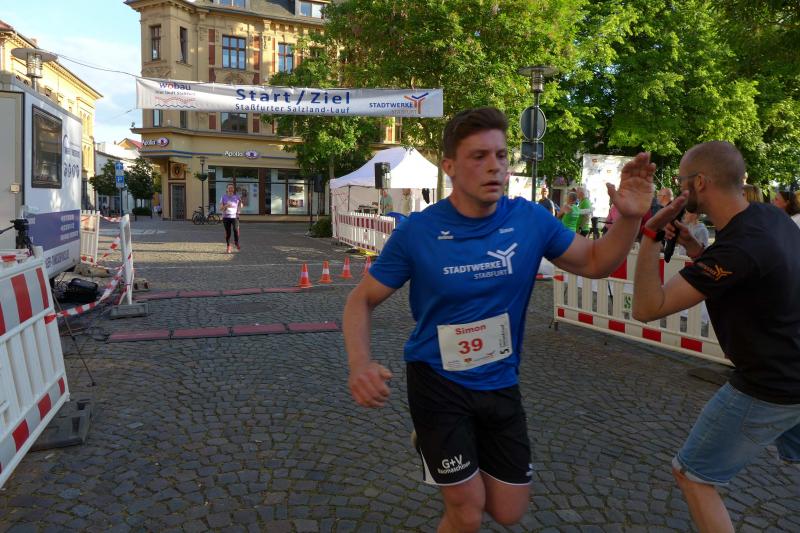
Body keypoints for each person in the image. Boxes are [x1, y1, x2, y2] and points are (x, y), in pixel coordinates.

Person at [343, 106, 656, 532]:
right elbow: (360, 301)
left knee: (509, 511)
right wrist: (360, 363)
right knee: (467, 510)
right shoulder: (418, 231)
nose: (495, 166)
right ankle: (437, 440)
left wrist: (632, 218)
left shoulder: (529, 220)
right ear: (450, 167)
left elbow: (596, 261)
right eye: (479, 156)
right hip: (437, 381)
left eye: (502, 155)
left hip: (500, 380)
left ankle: (434, 444)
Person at [632, 141, 800, 533]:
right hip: (793, 366)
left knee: (692, 474)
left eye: (681, 181)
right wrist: (696, 248)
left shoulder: (738, 247)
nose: (679, 188)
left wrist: (650, 235)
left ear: (700, 183)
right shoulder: (768, 218)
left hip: (771, 383)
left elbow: (646, 308)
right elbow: (743, 274)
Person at [219, 183, 242, 253]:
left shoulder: (237, 197)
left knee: (236, 230)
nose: (230, 189)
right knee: (228, 233)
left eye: (232, 188)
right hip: (226, 217)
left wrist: (239, 210)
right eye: (229, 188)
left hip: (235, 217)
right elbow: (220, 208)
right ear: (227, 189)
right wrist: (226, 205)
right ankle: (228, 246)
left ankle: (236, 242)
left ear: (233, 189)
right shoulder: (223, 197)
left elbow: (240, 204)